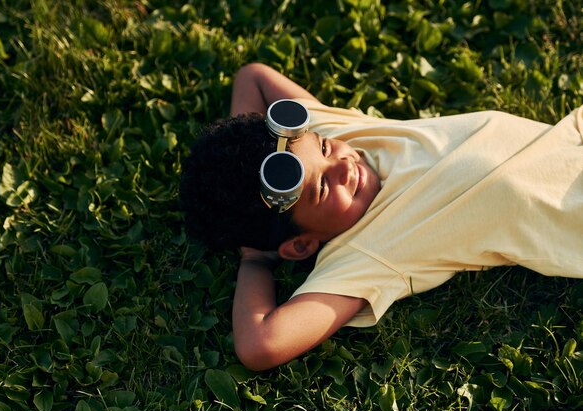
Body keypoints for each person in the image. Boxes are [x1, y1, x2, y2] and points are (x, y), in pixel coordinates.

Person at [179, 62, 583, 371]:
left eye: (322, 149)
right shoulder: (363, 254)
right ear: (301, 244)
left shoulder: (333, 138)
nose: (340, 166)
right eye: (321, 189)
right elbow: (260, 345)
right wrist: (255, 258)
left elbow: (253, 77)